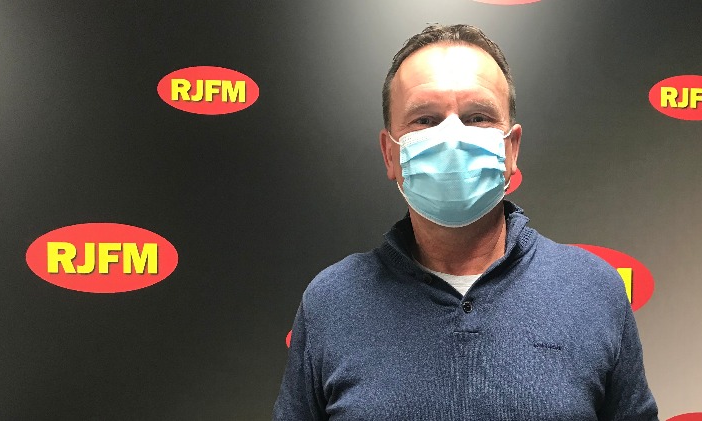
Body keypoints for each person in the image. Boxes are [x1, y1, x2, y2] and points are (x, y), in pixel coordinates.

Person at [273, 24, 658, 420]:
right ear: (390, 154)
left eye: (478, 117)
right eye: (425, 120)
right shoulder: (332, 302)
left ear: (511, 149)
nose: (452, 139)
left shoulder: (593, 290)